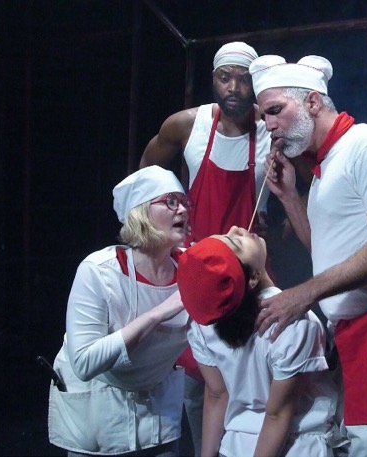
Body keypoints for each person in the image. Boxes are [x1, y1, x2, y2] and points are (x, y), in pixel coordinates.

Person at [248, 54, 367, 457]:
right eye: (265, 118)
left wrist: (305, 294)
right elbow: (327, 252)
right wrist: (289, 195)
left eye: (276, 111)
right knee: (357, 445)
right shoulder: (323, 166)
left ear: (313, 102)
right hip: (351, 327)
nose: (270, 126)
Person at [139, 41, 273, 455]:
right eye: (224, 76)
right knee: (199, 382)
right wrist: (168, 223)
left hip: (247, 268)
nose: (234, 87)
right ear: (212, 78)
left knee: (252, 375)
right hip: (196, 269)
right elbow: (145, 180)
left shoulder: (272, 129)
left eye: (244, 78)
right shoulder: (186, 125)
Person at [47, 165, 192, 456]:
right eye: (171, 202)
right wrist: (157, 314)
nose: (183, 211)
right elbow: (85, 363)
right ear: (140, 213)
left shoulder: (192, 270)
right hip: (98, 414)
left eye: (185, 202)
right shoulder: (99, 272)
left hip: (158, 414)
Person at [177, 226, 345, 457]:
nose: (238, 228)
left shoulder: (203, 325)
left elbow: (217, 395)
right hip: (295, 447)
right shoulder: (293, 324)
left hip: (234, 447)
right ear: (253, 277)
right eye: (236, 242)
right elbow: (277, 414)